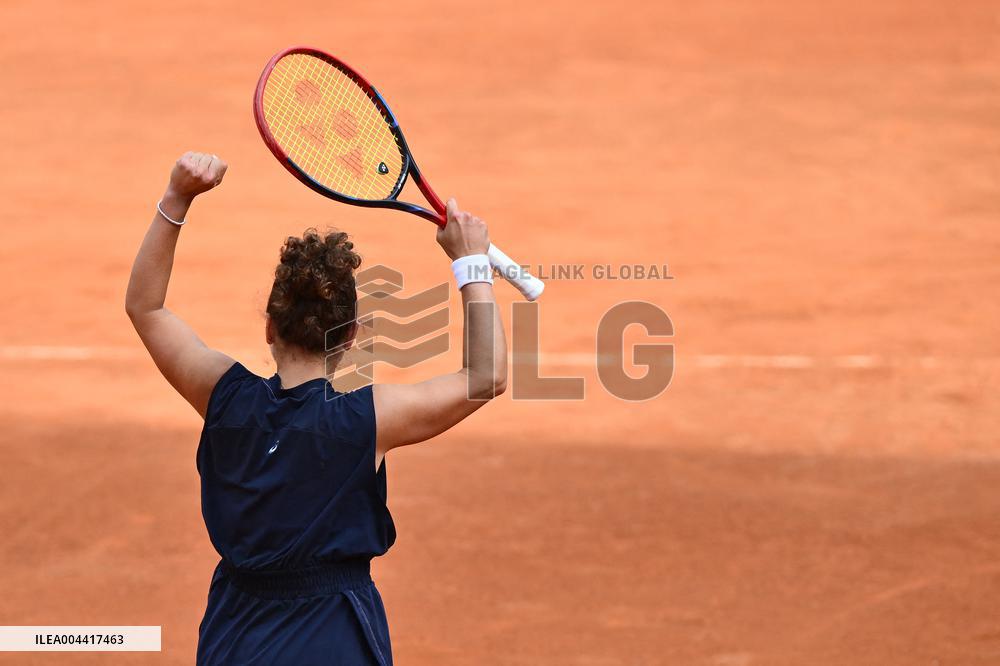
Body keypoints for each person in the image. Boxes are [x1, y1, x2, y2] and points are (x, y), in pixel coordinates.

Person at [126, 151, 507, 665]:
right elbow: (485, 377)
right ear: (351, 335)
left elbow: (146, 307)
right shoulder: (364, 422)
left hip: (235, 638)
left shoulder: (223, 396)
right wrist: (471, 262)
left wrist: (177, 197)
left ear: (269, 326)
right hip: (335, 640)